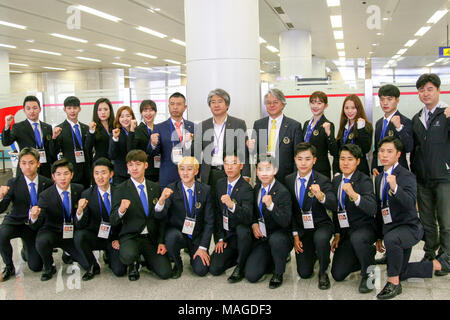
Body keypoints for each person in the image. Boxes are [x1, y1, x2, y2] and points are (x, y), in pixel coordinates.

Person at [374, 136, 450, 299]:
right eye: (382, 151)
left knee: (392, 241)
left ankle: (393, 284)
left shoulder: (406, 176)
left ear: (398, 154)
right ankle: (438, 264)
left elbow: (410, 203)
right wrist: (378, 236)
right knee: (399, 270)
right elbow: (381, 210)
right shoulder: (379, 177)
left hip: (409, 229)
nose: (384, 155)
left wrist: (395, 187)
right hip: (392, 230)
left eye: (389, 151)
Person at [110, 150, 171, 281]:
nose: (134, 168)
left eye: (138, 164)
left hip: (150, 237)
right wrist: (121, 210)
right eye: (131, 165)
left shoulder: (155, 187)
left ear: (146, 165)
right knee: (128, 256)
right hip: (130, 236)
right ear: (127, 167)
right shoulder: (120, 189)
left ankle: (146, 260)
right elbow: (113, 219)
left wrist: (161, 241)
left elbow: (161, 219)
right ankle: (134, 261)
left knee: (165, 272)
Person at [411, 73, 450, 276]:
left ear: (438, 90)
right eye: (421, 90)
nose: (425, 93)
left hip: (444, 177)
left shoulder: (446, 114)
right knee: (427, 220)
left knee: (446, 220)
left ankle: (446, 257)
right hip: (423, 178)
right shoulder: (418, 118)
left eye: (429, 89)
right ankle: (429, 252)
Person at [199, 89, 250, 243]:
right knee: (213, 209)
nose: (216, 105)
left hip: (230, 172)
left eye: (220, 101)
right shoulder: (203, 125)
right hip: (210, 174)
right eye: (213, 102)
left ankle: (232, 242)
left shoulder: (238, 123)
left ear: (227, 105)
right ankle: (220, 240)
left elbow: (243, 152)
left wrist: (246, 174)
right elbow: (195, 153)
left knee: (231, 207)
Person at [285, 142, 337, 290]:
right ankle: (314, 255)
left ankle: (323, 271)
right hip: (302, 228)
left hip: (321, 224)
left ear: (314, 160)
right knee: (304, 272)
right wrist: (295, 234)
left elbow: (333, 204)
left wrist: (321, 196)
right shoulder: (289, 180)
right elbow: (291, 211)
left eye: (307, 159)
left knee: (320, 239)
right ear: (295, 159)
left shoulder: (323, 179)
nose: (303, 163)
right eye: (300, 158)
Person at [30, 158, 90, 281]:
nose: (62, 178)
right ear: (53, 177)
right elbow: (37, 224)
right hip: (52, 232)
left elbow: (84, 216)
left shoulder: (79, 189)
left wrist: (79, 211)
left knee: (88, 265)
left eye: (66, 173)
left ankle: (68, 253)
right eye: (58, 174)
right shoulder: (45, 195)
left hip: (71, 233)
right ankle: (49, 266)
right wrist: (34, 216)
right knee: (42, 241)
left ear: (72, 175)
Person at [154, 156, 214, 278]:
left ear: (196, 171)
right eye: (182, 169)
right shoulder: (171, 188)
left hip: (196, 235)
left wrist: (203, 247)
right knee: (171, 237)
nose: (185, 173)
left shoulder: (206, 190)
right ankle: (177, 262)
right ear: (178, 171)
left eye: (189, 169)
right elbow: (159, 215)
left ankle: (195, 254)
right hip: (178, 233)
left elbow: (209, 222)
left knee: (201, 270)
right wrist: (161, 201)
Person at [330, 144, 377, 293]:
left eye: (350, 159)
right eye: (342, 159)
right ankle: (364, 256)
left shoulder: (364, 180)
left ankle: (369, 273)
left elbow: (372, 208)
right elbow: (337, 211)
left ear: (357, 161)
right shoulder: (336, 181)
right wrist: (337, 233)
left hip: (364, 229)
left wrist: (355, 195)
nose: (345, 163)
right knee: (337, 274)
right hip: (346, 232)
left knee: (358, 239)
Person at [0, 148, 53, 281]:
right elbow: (2, 207)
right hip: (16, 221)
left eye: (31, 163)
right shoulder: (13, 183)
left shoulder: (47, 183)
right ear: (19, 164)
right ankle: (9, 266)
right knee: (1, 235)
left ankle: (26, 250)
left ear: (38, 164)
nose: (27, 167)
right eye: (23, 163)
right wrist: (1, 197)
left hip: (33, 226)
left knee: (36, 267)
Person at [74, 158, 127, 281]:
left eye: (103, 172)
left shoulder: (119, 191)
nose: (100, 177)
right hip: (96, 236)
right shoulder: (87, 194)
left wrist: (120, 239)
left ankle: (109, 255)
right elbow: (80, 224)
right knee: (79, 236)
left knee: (120, 271)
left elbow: (127, 219)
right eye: (96, 173)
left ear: (111, 174)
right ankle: (92, 265)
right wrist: (79, 211)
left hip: (114, 238)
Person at [245, 157, 292, 289]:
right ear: (257, 172)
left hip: (279, 235)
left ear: (275, 170)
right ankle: (272, 259)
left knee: (277, 240)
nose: (264, 173)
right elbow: (253, 212)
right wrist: (254, 224)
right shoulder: (256, 188)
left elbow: (285, 221)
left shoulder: (283, 192)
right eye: (260, 169)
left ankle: (278, 272)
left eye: (268, 169)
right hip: (262, 238)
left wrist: (271, 206)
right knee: (251, 275)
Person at [209, 153, 254, 283]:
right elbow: (217, 213)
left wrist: (232, 205)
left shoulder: (247, 188)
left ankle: (241, 264)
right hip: (226, 236)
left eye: (233, 163)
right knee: (214, 269)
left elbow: (247, 217)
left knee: (242, 229)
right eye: (226, 163)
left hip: (241, 235)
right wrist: (220, 238)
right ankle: (237, 255)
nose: (229, 167)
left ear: (241, 166)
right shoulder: (220, 184)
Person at [248, 89, 303, 184]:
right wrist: (250, 148)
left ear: (283, 104)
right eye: (268, 103)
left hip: (286, 177)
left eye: (275, 102)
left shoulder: (294, 126)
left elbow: (298, 155)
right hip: (263, 175)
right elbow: (254, 153)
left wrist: (295, 177)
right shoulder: (258, 124)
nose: (272, 105)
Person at [148, 92, 196, 188]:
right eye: (172, 104)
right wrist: (153, 144)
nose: (175, 107)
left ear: (185, 107)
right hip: (168, 176)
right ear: (168, 106)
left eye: (178, 104)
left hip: (189, 176)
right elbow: (152, 153)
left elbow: (197, 153)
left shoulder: (193, 127)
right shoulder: (159, 127)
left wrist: (190, 142)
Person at [2, 96, 54, 178]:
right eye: (28, 108)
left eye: (35, 108)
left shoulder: (47, 127)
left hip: (45, 169)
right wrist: (7, 126)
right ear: (24, 110)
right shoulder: (18, 127)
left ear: (40, 109)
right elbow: (6, 142)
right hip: (26, 169)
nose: (32, 111)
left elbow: (51, 150)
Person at [371, 84, 413, 176]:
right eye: (382, 99)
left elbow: (409, 147)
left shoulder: (405, 121)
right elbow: (377, 149)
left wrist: (399, 128)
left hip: (399, 172)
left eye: (389, 99)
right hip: (381, 171)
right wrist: (374, 166)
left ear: (397, 100)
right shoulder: (379, 123)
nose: (385, 103)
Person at [50, 96, 91, 188]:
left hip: (86, 173)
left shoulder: (86, 129)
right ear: (64, 109)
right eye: (69, 108)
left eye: (75, 108)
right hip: (70, 173)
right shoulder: (59, 129)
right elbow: (53, 152)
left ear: (79, 109)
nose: (72, 111)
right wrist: (54, 138)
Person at [332, 94, 373, 177]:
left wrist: (361, 129)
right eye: (346, 108)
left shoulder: (366, 125)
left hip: (360, 172)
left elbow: (365, 149)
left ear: (358, 109)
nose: (349, 111)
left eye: (353, 108)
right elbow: (338, 152)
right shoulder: (344, 127)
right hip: (344, 171)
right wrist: (336, 172)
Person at [302, 91, 338, 179]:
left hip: (321, 169)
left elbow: (334, 151)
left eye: (319, 103)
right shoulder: (307, 124)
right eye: (313, 102)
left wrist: (329, 133)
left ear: (326, 106)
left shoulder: (328, 124)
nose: (315, 106)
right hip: (305, 168)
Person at [109, 106, 137, 185]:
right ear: (118, 119)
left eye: (128, 116)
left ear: (132, 117)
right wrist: (115, 139)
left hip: (136, 172)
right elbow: (112, 155)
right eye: (122, 116)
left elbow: (131, 152)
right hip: (120, 174)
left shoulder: (137, 132)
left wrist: (132, 131)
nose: (125, 119)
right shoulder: (116, 133)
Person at [133, 100, 159, 182]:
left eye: (151, 110)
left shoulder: (159, 128)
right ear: (141, 113)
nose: (148, 113)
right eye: (145, 110)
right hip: (145, 170)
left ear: (155, 112)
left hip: (159, 169)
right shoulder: (137, 130)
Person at [85, 98, 115, 163]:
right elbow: (88, 148)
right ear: (96, 112)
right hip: (100, 163)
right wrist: (91, 132)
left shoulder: (115, 126)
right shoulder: (93, 127)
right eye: (100, 110)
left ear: (110, 111)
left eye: (106, 109)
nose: (103, 112)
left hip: (115, 163)